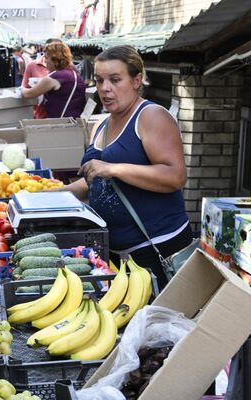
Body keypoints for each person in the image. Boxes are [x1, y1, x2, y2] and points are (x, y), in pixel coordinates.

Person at [61, 45, 190, 286]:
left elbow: (175, 176)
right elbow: (94, 179)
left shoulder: (151, 116)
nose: (105, 88)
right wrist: (49, 195)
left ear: (137, 80)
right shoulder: (102, 125)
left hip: (158, 248)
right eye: (99, 80)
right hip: (116, 254)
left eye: (115, 80)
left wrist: (113, 168)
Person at [21, 41, 87, 119]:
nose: (45, 61)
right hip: (75, 121)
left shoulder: (54, 77)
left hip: (61, 123)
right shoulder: (72, 73)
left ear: (55, 60)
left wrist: (21, 89)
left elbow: (28, 94)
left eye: (46, 57)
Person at [21, 38, 60, 119]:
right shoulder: (32, 65)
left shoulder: (66, 68)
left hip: (59, 114)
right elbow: (24, 88)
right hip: (39, 114)